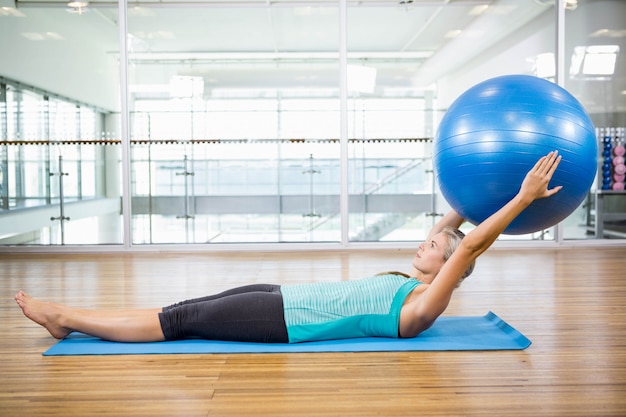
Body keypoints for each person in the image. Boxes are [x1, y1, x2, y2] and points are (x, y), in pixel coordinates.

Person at [15, 151, 562, 344]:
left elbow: (468, 248)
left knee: (176, 321)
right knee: (182, 312)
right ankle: (71, 319)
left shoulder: (423, 306)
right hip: (280, 296)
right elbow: (456, 229)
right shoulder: (410, 282)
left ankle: (65, 317)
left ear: (448, 266)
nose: (425, 241)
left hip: (281, 320)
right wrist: (475, 191)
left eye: (432, 245)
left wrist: (519, 199)